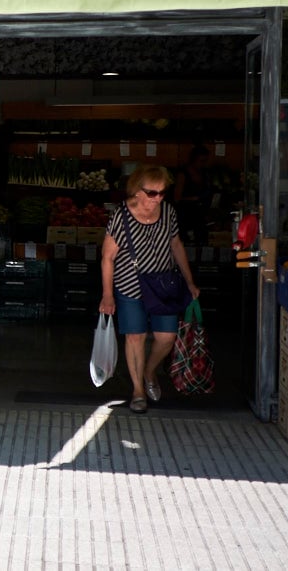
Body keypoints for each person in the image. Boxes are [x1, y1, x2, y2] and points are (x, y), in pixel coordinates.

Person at [99, 164, 200, 414]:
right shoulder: (121, 216)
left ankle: (149, 371)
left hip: (163, 285)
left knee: (167, 337)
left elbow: (176, 245)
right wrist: (107, 294)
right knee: (135, 336)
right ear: (137, 191)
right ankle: (137, 390)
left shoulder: (168, 212)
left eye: (162, 193)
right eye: (152, 193)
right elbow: (107, 258)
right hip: (130, 286)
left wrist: (189, 281)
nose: (157, 198)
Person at [173, 145, 211, 246]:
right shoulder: (183, 174)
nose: (203, 164)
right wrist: (193, 198)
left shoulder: (204, 173)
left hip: (199, 213)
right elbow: (177, 198)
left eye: (205, 161)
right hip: (185, 214)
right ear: (193, 160)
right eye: (201, 161)